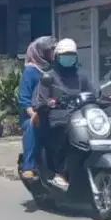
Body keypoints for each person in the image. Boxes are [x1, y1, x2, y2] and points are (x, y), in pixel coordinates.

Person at [32, 37, 95, 190]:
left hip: (81, 117)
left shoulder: (81, 77)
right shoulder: (49, 77)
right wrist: (48, 102)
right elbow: (39, 100)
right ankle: (60, 172)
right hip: (58, 119)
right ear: (57, 57)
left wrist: (105, 97)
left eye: (71, 56)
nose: (68, 59)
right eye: (65, 56)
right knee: (64, 135)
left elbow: (93, 93)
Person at [17, 36, 56, 181]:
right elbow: (24, 98)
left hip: (53, 112)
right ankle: (29, 166)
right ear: (41, 53)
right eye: (50, 50)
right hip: (34, 114)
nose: (53, 53)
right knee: (32, 126)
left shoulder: (54, 70)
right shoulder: (31, 71)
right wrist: (33, 114)